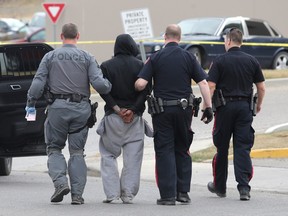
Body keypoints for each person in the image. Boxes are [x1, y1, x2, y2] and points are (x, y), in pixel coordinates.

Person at [25, 23, 112, 205]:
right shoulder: (87, 57)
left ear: (62, 36)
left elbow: (38, 84)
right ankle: (77, 195)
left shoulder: (50, 57)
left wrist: (31, 105)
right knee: (77, 152)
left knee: (54, 148)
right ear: (78, 36)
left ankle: (61, 183)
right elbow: (100, 85)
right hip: (81, 111)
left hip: (57, 109)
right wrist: (109, 85)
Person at [135, 24, 213, 205]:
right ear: (179, 37)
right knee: (183, 150)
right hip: (184, 110)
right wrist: (208, 108)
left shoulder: (156, 57)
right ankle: (183, 193)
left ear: (165, 37)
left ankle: (168, 196)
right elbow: (203, 83)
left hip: (162, 112)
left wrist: (140, 79)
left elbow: (140, 84)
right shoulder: (188, 57)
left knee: (164, 151)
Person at [206, 28, 265, 201]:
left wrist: (207, 107)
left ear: (229, 41)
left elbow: (211, 86)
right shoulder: (252, 61)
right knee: (242, 148)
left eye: (225, 41)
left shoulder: (219, 61)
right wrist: (258, 105)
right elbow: (261, 87)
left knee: (222, 148)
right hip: (244, 109)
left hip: (224, 109)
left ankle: (220, 187)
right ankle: (244, 189)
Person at [96, 34, 152, 204]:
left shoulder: (106, 66)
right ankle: (127, 194)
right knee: (133, 158)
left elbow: (103, 91)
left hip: (113, 118)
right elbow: (146, 90)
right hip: (134, 120)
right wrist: (133, 110)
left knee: (108, 155)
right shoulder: (140, 65)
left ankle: (111, 194)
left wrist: (117, 109)